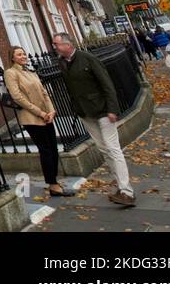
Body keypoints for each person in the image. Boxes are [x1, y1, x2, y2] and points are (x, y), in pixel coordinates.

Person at [53, 33, 135, 207]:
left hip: (104, 110)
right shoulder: (62, 63)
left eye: (57, 44)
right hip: (85, 112)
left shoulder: (88, 59)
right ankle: (121, 187)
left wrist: (113, 109)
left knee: (113, 149)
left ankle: (127, 192)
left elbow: (107, 83)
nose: (55, 47)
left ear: (68, 44)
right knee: (104, 150)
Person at [3, 46, 74, 198]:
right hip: (32, 118)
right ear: (12, 58)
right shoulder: (11, 73)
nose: (23, 56)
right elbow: (17, 97)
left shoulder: (31, 72)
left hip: (46, 115)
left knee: (53, 149)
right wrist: (40, 113)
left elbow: (44, 92)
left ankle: (53, 181)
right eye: (19, 54)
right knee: (46, 150)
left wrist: (51, 110)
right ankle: (53, 184)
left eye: (24, 53)